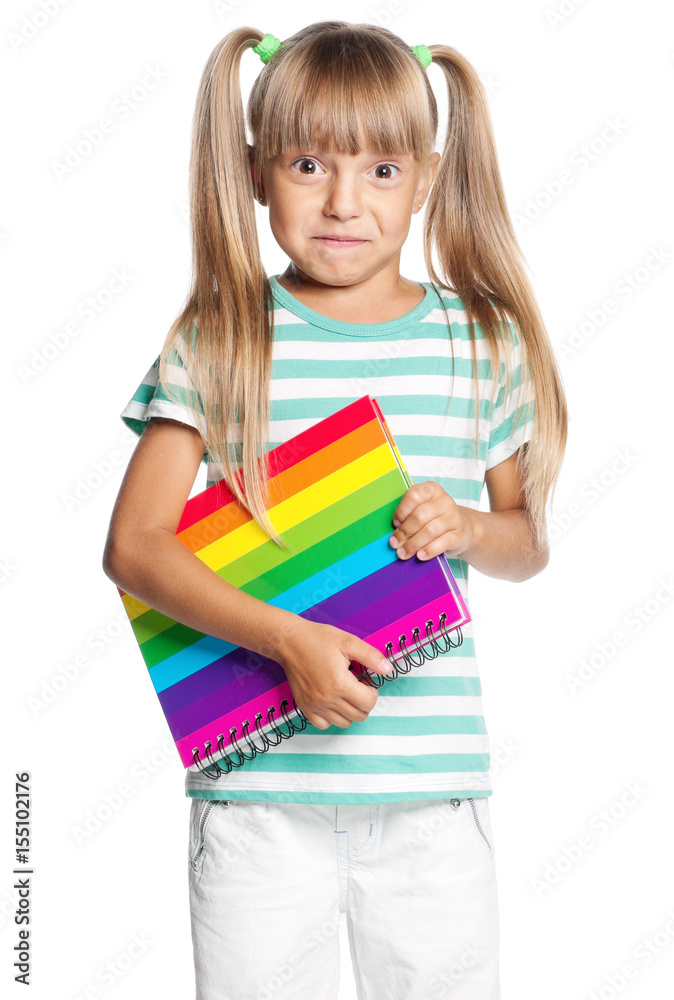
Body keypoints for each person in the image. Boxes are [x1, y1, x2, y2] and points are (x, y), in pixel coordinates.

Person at [103, 20, 567, 1000]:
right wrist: (287, 642)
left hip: (430, 802)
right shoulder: (221, 336)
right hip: (259, 795)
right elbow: (135, 546)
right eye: (308, 164)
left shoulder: (480, 339)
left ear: (426, 177)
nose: (344, 202)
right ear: (255, 171)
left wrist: (469, 529)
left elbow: (525, 541)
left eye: (382, 170)